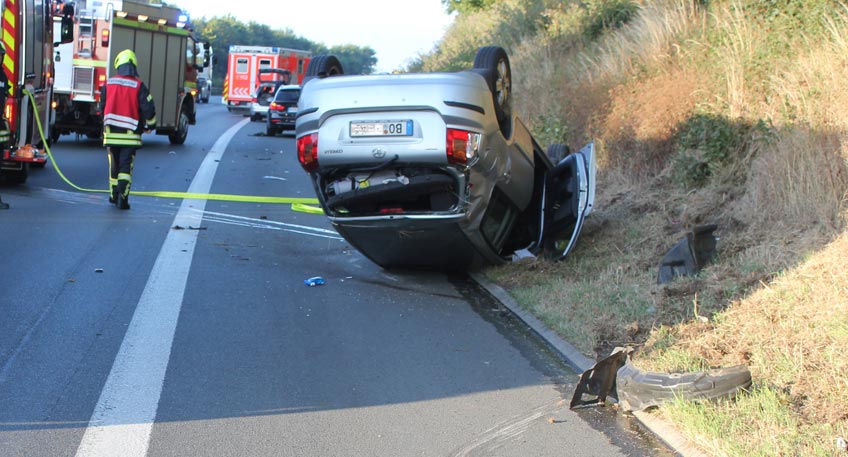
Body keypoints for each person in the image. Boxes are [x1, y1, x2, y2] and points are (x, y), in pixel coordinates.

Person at [99, 49, 156, 210]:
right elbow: (149, 109)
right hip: (130, 137)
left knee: (114, 166)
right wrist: (151, 125)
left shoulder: (108, 84)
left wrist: (104, 124)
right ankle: (122, 198)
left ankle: (113, 195)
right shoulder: (138, 86)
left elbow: (101, 107)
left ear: (119, 65)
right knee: (125, 167)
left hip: (111, 135)